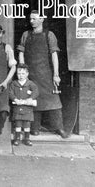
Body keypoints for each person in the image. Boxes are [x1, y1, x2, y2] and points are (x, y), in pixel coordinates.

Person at [17, 10, 69, 139]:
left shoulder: (49, 35)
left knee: (53, 100)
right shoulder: (26, 34)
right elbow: (21, 52)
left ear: (42, 19)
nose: (31, 21)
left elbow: (54, 55)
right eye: (30, 19)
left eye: (34, 19)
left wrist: (56, 74)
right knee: (34, 99)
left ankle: (59, 128)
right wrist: (23, 71)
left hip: (46, 74)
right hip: (31, 74)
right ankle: (35, 128)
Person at [9, 64, 39, 146]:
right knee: (18, 124)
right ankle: (17, 138)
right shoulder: (14, 83)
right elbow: (10, 93)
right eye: (19, 74)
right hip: (18, 107)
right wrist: (15, 99)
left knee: (27, 124)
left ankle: (27, 138)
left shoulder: (30, 84)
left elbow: (36, 91)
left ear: (27, 74)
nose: (21, 76)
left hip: (27, 108)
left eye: (23, 74)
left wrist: (31, 98)